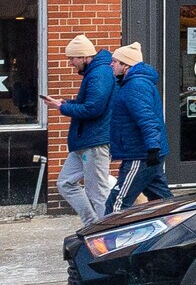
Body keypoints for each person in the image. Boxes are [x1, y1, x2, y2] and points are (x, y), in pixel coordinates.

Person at [46, 35, 113, 223]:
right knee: (65, 183)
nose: (70, 63)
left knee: (98, 194)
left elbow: (94, 108)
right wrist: (65, 103)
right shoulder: (96, 73)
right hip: (86, 140)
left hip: (95, 141)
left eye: (72, 59)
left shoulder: (99, 74)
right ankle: (92, 224)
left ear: (84, 57)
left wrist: (63, 108)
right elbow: (90, 104)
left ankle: (106, 234)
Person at [105, 43, 171, 215]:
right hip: (144, 153)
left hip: (140, 155)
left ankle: (107, 240)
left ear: (126, 65)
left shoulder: (135, 86)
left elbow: (147, 119)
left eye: (115, 61)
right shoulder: (131, 83)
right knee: (164, 203)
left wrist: (152, 149)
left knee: (116, 205)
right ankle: (181, 228)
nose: (111, 65)